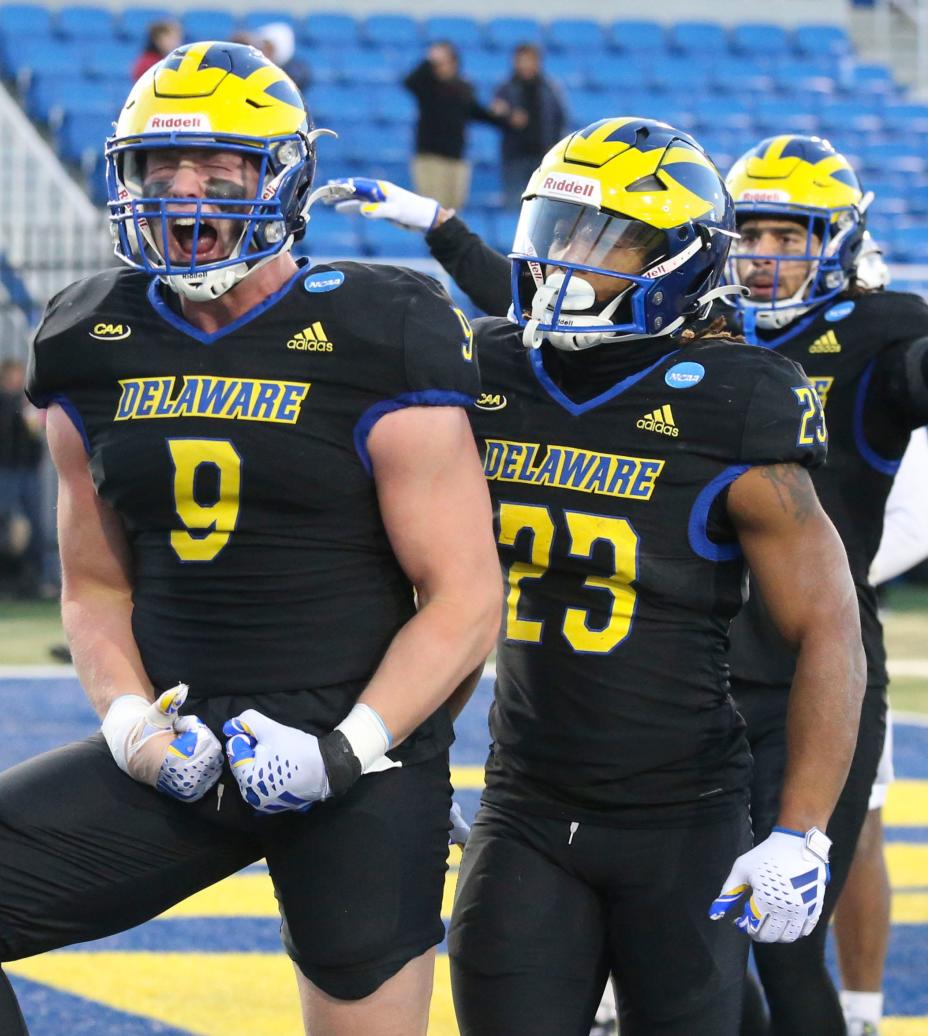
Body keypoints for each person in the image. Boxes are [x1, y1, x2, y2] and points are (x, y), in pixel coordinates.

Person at [0, 42, 501, 1036]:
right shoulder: (88, 337)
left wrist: (347, 749)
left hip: (357, 751)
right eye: (159, 169)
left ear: (283, 174)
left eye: (220, 167)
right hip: (187, 744)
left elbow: (467, 595)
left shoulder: (383, 327)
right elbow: (92, 585)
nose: (184, 191)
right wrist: (131, 727)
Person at [330, 117, 866, 1034]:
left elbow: (830, 626)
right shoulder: (490, 367)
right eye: (559, 231)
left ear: (683, 258)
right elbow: (429, 586)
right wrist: (393, 752)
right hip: (526, 802)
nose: (568, 262)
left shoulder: (737, 398)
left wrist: (801, 830)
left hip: (683, 816)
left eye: (607, 239)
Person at [719, 134, 928, 1036]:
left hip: (821, 673)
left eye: (787, 235)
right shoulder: (698, 326)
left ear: (835, 239)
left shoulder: (880, 330)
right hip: (697, 672)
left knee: (781, 931)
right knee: (683, 927)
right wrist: (448, 234)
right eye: (750, 234)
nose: (764, 257)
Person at [836, 425, 928, 1036]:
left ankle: (862, 1013)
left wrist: (804, 567)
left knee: (858, 817)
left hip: (832, 620)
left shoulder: (880, 339)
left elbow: (915, 519)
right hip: (700, 614)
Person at [403, 42, 509, 212]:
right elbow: (409, 82)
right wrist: (428, 60)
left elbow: (476, 112)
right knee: (431, 209)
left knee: (454, 209)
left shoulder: (463, 88)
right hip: (431, 157)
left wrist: (500, 116)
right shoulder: (427, 86)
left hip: (456, 157)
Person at [0, 357, 50, 595]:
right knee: (2, 524)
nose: (17, 380)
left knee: (35, 525)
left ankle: (35, 579)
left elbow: (36, 430)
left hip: (27, 470)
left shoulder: (29, 402)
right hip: (3, 470)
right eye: (12, 376)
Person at [491, 43, 566, 210]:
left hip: (543, 156)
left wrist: (555, 146)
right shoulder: (505, 88)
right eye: (522, 61)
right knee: (513, 206)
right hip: (514, 157)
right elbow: (494, 115)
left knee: (542, 208)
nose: (526, 65)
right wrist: (509, 115)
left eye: (529, 61)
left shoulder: (550, 88)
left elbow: (560, 118)